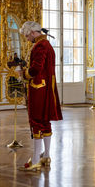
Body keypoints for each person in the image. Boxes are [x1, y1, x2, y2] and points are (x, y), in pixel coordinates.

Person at [17, 21, 62, 171]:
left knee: (36, 121)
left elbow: (36, 68)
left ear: (32, 32)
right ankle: (46, 156)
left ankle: (36, 159)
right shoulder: (46, 44)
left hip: (38, 89)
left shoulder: (40, 46)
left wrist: (23, 74)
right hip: (45, 87)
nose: (27, 39)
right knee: (44, 121)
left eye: (27, 36)